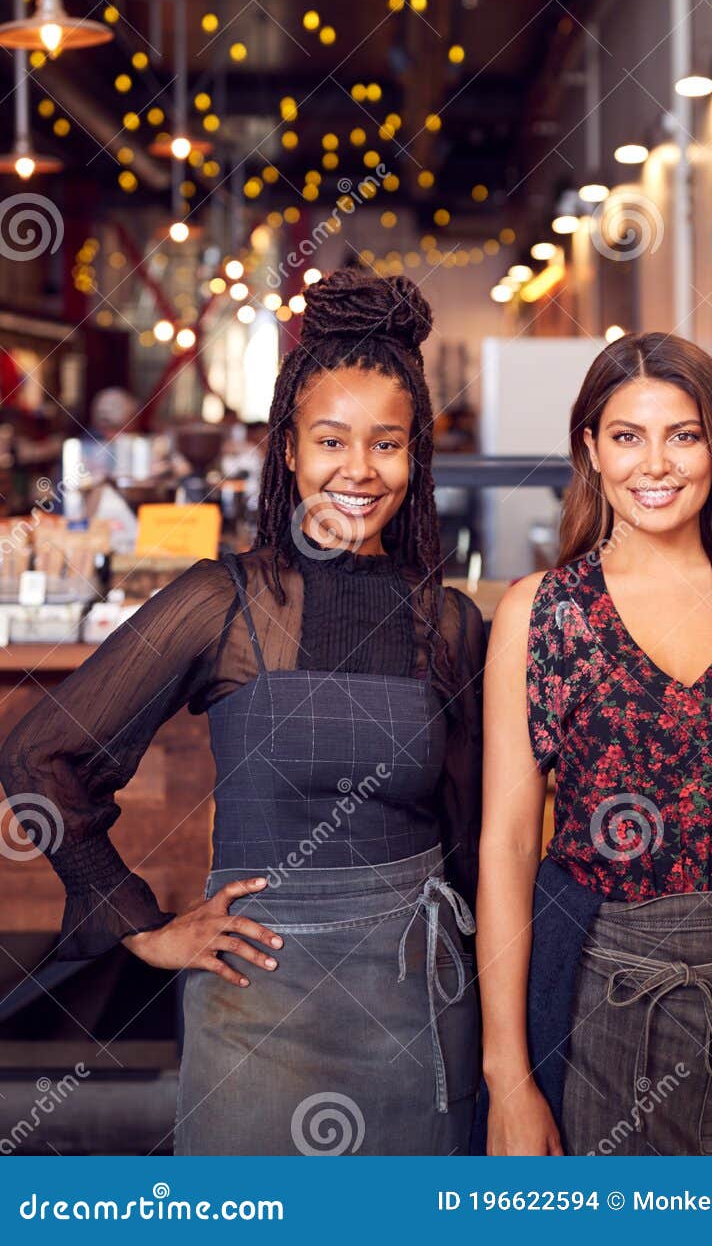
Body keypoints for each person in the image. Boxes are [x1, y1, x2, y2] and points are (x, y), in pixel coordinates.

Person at [0, 269, 485, 1156]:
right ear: (289, 451)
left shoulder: (446, 623)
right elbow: (41, 756)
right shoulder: (222, 603)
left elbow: (470, 834)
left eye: (387, 444)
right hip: (258, 1004)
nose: (359, 470)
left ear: (415, 458)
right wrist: (138, 925)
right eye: (331, 440)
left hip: (419, 1001)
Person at [475, 330, 712, 1157]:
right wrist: (506, 1074)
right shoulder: (540, 614)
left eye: (682, 435)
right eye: (626, 436)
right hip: (605, 1009)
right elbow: (505, 845)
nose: (656, 465)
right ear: (590, 450)